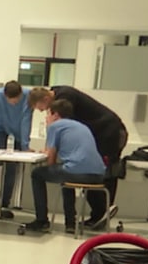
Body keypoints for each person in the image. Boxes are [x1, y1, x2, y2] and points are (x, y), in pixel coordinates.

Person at [31, 85, 126, 229]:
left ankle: (102, 211)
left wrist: (48, 152)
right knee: (84, 172)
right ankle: (92, 216)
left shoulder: (65, 100)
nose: (45, 114)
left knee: (102, 172)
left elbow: (53, 155)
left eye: (45, 110)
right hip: (100, 142)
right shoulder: (78, 123)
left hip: (109, 132)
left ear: (55, 112)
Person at [23, 99, 105, 234]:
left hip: (76, 172)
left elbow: (50, 160)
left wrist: (48, 154)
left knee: (37, 174)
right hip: (99, 174)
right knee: (65, 174)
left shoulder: (55, 126)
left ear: (55, 115)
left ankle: (42, 220)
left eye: (48, 114)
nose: (46, 117)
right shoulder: (82, 126)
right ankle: (70, 223)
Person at [0, 80, 34, 218]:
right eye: (10, 100)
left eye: (16, 100)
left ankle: (4, 205)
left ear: (20, 95)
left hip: (19, 132)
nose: (13, 102)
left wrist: (25, 146)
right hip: (2, 131)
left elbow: (26, 119)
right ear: (5, 95)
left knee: (12, 168)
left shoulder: (28, 95)